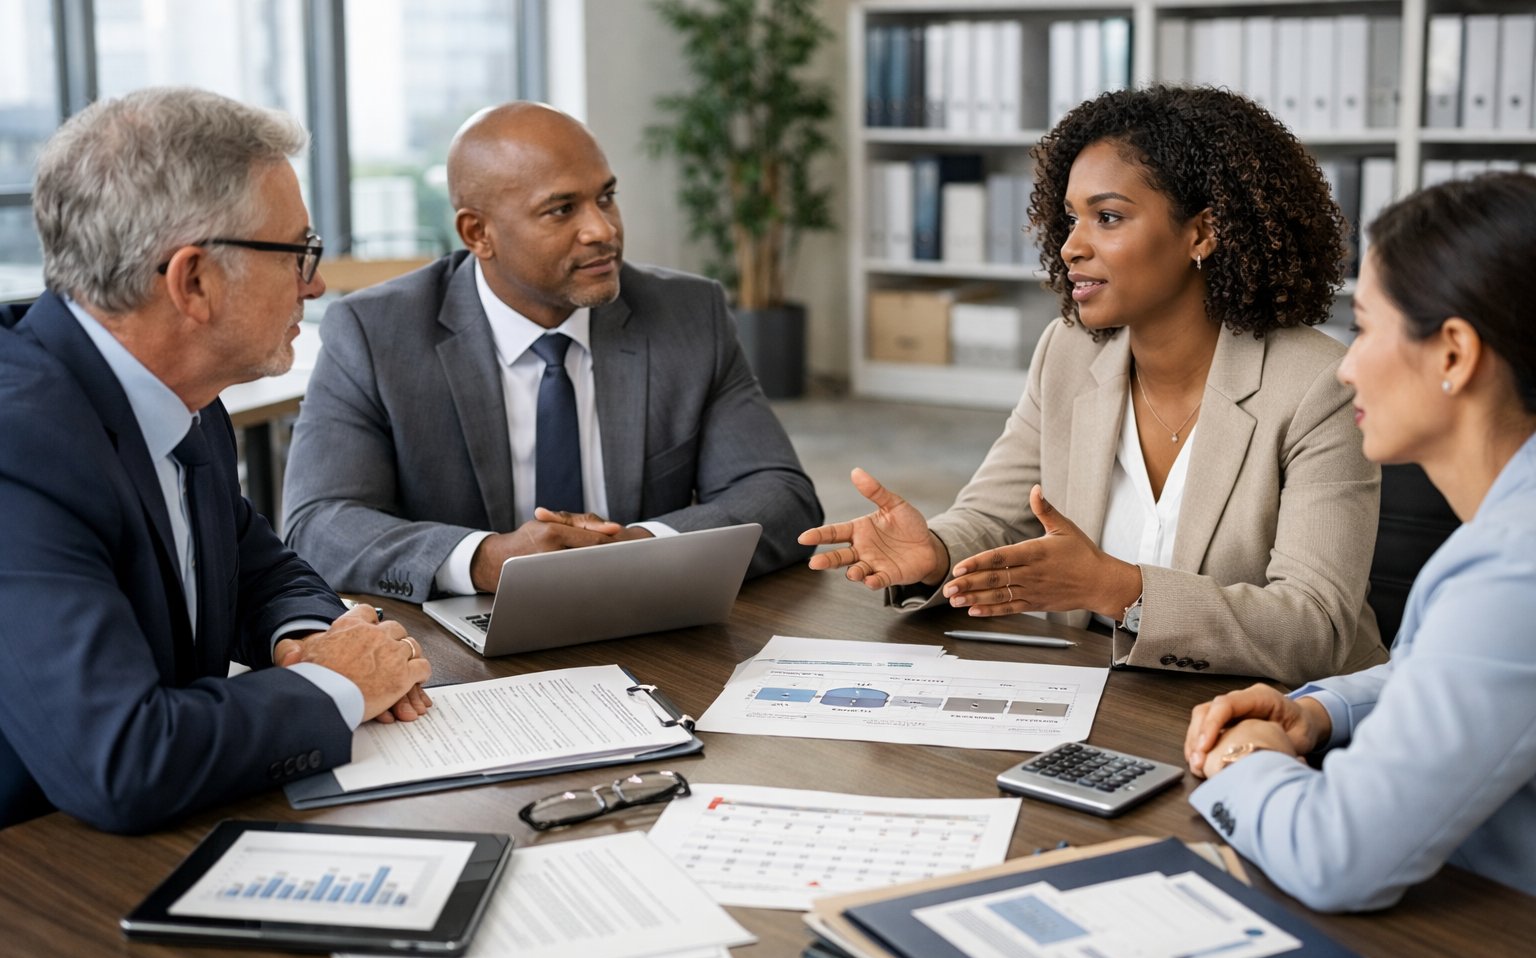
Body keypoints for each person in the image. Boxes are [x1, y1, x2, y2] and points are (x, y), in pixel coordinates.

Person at [801, 86, 1384, 683]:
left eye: (1108, 217)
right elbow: (998, 516)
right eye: (1072, 218)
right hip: (1108, 696)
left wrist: (1116, 588)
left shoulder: (1317, 386)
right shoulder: (1068, 352)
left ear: (1203, 233)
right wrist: (937, 552)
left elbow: (1316, 629)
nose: (1071, 246)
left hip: (1278, 721)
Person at [0, 88, 433, 834]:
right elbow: (124, 759)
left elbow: (261, 568)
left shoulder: (180, 396)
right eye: (299, 251)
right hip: (41, 878)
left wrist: (300, 637)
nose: (317, 282)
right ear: (193, 281)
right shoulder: (21, 448)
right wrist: (336, 682)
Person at [282, 102, 820, 602]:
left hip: (648, 625)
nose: (603, 230)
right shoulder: (376, 332)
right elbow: (319, 524)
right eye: (562, 210)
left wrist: (642, 545)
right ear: (478, 233)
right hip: (461, 650)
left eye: (605, 197)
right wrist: (486, 560)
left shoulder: (687, 312)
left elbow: (781, 495)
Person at [1183, 173, 1536, 911]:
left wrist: (1247, 760)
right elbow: (1456, 669)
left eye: (1366, 327)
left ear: (1452, 355)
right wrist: (1317, 713)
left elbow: (1337, 858)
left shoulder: (1513, 565)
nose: (1345, 366)